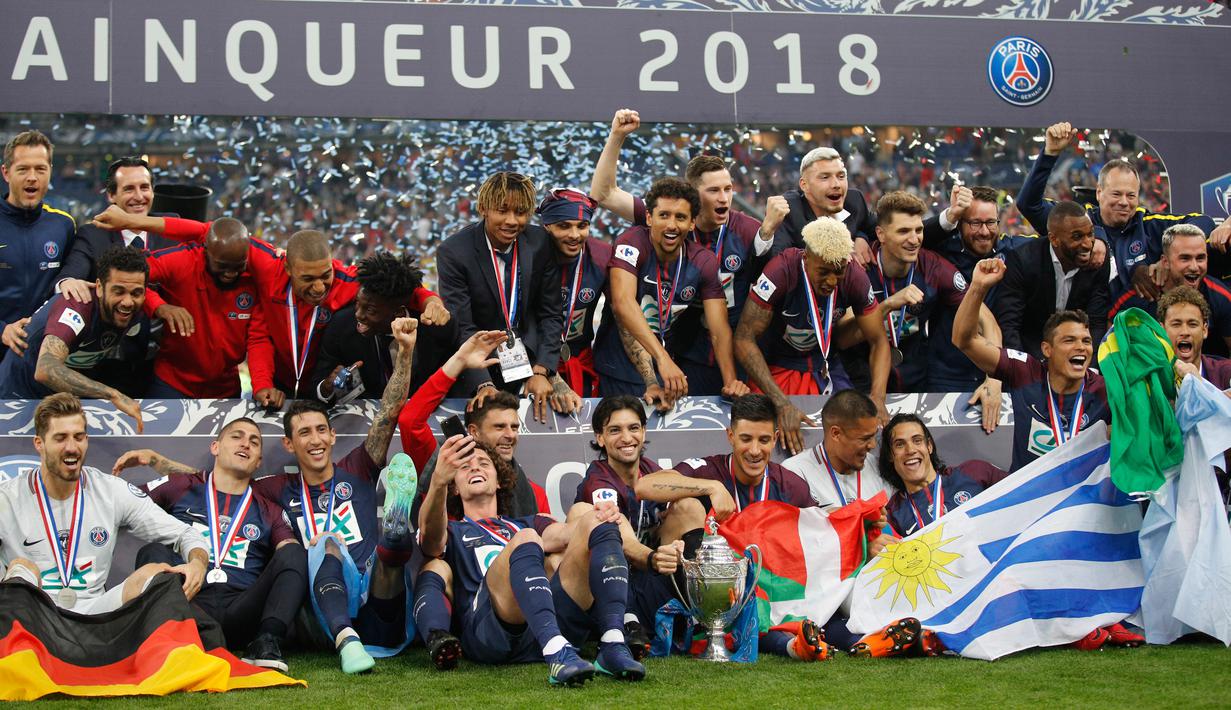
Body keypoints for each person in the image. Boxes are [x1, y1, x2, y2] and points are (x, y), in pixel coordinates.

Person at [88, 206, 447, 406]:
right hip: (272, 388)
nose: (320, 287)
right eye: (308, 279)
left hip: (315, 393)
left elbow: (393, 282)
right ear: (287, 267)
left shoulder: (346, 280)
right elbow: (207, 231)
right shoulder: (264, 266)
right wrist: (133, 221)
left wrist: (429, 298)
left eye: (324, 275)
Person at [251, 317, 419, 673]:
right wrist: (161, 463)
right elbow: (218, 483)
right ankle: (347, 641)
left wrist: (404, 352)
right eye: (304, 433)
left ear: (331, 437)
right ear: (288, 443)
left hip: (379, 606)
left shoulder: (357, 468)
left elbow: (389, 413)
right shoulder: (275, 489)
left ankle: (396, 531)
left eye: (321, 431)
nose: (314, 440)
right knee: (325, 542)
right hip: (325, 618)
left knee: (386, 555)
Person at [414, 436, 645, 684]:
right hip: (491, 634)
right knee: (526, 539)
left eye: (483, 463)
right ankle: (556, 651)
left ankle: (612, 641)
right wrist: (438, 481)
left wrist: (601, 514)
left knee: (596, 520)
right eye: (465, 467)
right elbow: (431, 543)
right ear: (455, 486)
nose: (475, 468)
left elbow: (565, 535)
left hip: (550, 623)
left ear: (499, 480)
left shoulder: (529, 520)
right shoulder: (453, 530)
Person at [590, 109, 781, 394]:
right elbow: (603, 194)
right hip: (674, 352)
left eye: (728, 189)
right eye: (714, 190)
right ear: (691, 193)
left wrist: (767, 236)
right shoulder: (665, 214)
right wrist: (617, 136)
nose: (724, 198)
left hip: (723, 349)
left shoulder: (745, 230)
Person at [632, 395, 831, 661]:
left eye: (763, 440)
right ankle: (710, 625)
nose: (754, 450)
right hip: (692, 595)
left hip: (763, 594)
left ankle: (790, 642)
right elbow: (644, 487)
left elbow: (823, 532)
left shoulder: (790, 485)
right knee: (687, 507)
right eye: (745, 439)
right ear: (730, 436)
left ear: (775, 438)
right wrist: (711, 487)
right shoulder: (708, 469)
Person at [114, 418, 307, 672]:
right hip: (188, 603)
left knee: (294, 551)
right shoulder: (181, 486)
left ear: (259, 461)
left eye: (254, 441)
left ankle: (266, 641)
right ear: (215, 447)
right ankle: (162, 638)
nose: (245, 444)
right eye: (237, 436)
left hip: (243, 608)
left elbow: (288, 560)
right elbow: (124, 505)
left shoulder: (268, 508)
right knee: (153, 552)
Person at [0, 393, 208, 615]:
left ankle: (169, 649)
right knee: (21, 569)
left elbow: (185, 534)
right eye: (61, 438)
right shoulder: (7, 497)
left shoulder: (111, 491)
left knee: (153, 574)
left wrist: (197, 563)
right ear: (39, 444)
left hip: (96, 614)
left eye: (79, 437)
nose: (72, 447)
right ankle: (16, 648)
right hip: (32, 616)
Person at [734, 216, 889, 454]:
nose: (830, 281)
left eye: (838, 272)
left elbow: (879, 341)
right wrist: (781, 403)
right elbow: (744, 339)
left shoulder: (855, 277)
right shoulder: (780, 271)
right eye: (824, 271)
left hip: (823, 366)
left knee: (854, 434)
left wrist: (878, 397)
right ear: (806, 259)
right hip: (776, 366)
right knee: (772, 439)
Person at [1016, 121, 1215, 297]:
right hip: (1084, 327)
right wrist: (1049, 154)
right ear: (1099, 193)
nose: (1124, 202)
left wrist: (1166, 260)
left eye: (1131, 195)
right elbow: (1028, 204)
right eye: (1116, 194)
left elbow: (1203, 221)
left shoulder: (1148, 225)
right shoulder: (1077, 220)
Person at [595, 177, 749, 401]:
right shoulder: (631, 244)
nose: (671, 225)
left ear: (692, 223)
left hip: (668, 374)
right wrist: (663, 359)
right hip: (618, 371)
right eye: (664, 215)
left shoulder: (702, 262)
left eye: (681, 217)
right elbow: (623, 303)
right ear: (649, 217)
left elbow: (719, 329)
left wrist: (730, 382)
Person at [955, 258, 1111, 472]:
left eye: (1086, 341)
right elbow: (965, 341)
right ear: (1047, 350)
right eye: (1069, 340)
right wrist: (978, 287)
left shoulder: (1105, 391)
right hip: (1030, 499)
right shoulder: (1026, 372)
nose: (1081, 347)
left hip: (1080, 500)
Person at [436, 171, 563, 405]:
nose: (512, 221)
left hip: (530, 363)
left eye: (521, 212)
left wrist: (542, 369)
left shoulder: (540, 242)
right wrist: (483, 383)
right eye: (502, 211)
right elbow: (462, 326)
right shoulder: (454, 252)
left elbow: (551, 313)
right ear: (483, 208)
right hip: (476, 367)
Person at [863, 191, 1001, 396]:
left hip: (916, 381)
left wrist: (994, 380)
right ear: (881, 234)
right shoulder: (861, 267)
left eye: (919, 230)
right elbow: (844, 337)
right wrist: (887, 305)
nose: (914, 239)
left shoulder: (934, 268)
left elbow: (987, 321)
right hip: (860, 379)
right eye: (903, 231)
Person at [0, 246, 151, 430]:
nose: (127, 302)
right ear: (100, 288)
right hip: (17, 398)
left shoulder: (134, 311)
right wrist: (112, 394)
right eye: (118, 292)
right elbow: (46, 369)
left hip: (63, 402)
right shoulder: (77, 307)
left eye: (136, 293)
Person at [923, 184, 1032, 400]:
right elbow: (913, 239)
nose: (984, 231)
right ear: (960, 224)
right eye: (975, 223)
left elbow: (1054, 236)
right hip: (947, 375)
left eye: (990, 222)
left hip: (1000, 374)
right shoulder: (941, 251)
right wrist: (950, 214)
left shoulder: (1013, 253)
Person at [138, 218, 268, 398]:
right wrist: (160, 306)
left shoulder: (256, 277)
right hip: (172, 382)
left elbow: (258, 338)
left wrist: (262, 385)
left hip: (225, 387)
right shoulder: (183, 261)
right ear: (205, 250)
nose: (230, 273)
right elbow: (129, 274)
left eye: (238, 266)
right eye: (222, 265)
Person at [312, 251, 456, 405]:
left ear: (399, 313)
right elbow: (318, 386)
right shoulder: (341, 326)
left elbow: (460, 373)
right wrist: (327, 387)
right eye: (358, 304)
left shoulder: (436, 327)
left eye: (370, 310)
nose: (358, 315)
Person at [994, 201, 1111, 359]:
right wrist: (1022, 369)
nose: (1088, 244)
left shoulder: (1097, 263)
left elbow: (1096, 322)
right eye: (1077, 236)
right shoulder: (1023, 261)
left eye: (1090, 234)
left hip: (1077, 357)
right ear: (1054, 239)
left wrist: (1090, 370)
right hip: (1030, 355)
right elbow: (1009, 325)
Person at [410, 388, 545, 524]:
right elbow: (410, 420)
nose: (510, 435)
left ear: (499, 482)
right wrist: (455, 367)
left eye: (515, 428)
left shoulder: (534, 493)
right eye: (499, 427)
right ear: (474, 432)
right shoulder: (442, 468)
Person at [0, 130, 76, 357]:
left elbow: (70, 282)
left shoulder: (64, 225)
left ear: (50, 172)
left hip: (41, 356)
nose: (32, 177)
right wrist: (2, 329)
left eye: (40, 169)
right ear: (6, 172)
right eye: (23, 169)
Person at [57, 157, 177, 295]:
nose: (139, 197)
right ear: (111, 195)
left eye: (144, 187)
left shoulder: (170, 228)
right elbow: (71, 273)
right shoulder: (93, 235)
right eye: (129, 189)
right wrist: (67, 281)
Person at [1108, 223, 1231, 357]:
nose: (1195, 267)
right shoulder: (1139, 293)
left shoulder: (1221, 297)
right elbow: (1110, 347)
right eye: (1185, 258)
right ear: (1165, 261)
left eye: (1200, 258)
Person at [537, 188, 608, 413]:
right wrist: (549, 375)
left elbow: (624, 313)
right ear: (546, 226)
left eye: (582, 226)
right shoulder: (529, 257)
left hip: (581, 361)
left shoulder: (602, 257)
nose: (575, 235)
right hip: (533, 367)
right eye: (564, 226)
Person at [877, 413, 1005, 537]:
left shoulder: (975, 473)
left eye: (917, 441)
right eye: (900, 444)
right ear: (890, 455)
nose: (910, 450)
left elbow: (1021, 492)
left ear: (929, 446)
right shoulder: (893, 516)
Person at [782, 389, 891, 510]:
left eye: (874, 436)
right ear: (836, 433)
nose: (873, 445)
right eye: (864, 438)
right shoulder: (794, 473)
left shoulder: (878, 468)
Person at [770, 146, 878, 266]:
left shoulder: (854, 201)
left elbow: (884, 227)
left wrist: (861, 236)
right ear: (804, 185)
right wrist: (838, 254)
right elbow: (777, 264)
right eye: (825, 177)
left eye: (841, 176)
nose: (836, 184)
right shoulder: (790, 210)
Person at [1159, 286, 1231, 389]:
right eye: (1176, 324)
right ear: (1162, 330)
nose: (1185, 332)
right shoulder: (1152, 380)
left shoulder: (1226, 372)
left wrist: (1199, 385)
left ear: (1204, 330)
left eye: (1192, 324)